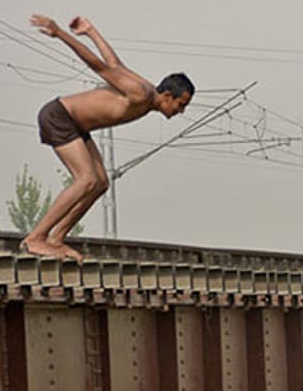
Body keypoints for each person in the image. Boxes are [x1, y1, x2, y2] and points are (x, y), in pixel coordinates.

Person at [22, 14, 194, 261]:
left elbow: (114, 64)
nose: (180, 111)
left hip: (77, 126)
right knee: (86, 179)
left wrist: (92, 31)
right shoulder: (141, 94)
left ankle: (57, 238)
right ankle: (35, 238)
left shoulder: (145, 93)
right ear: (167, 96)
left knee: (101, 182)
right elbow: (99, 67)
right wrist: (60, 33)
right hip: (60, 116)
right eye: (180, 105)